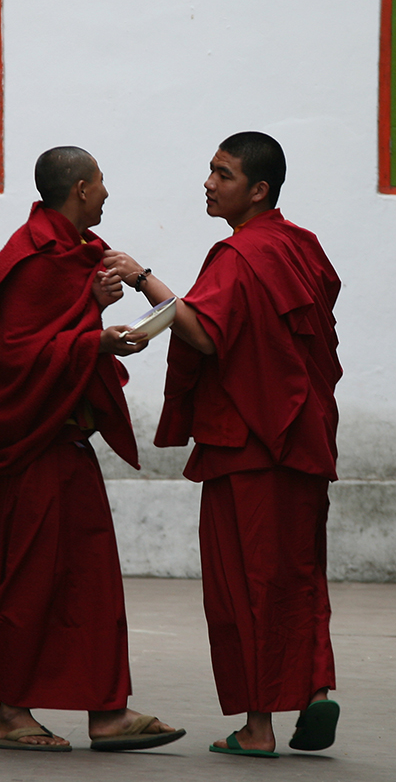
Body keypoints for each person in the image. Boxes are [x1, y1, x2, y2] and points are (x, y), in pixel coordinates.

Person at [103, 131, 342, 757]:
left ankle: (258, 729)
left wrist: (141, 276)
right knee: (300, 574)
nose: (208, 183)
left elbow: (207, 335)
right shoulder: (302, 247)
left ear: (257, 189)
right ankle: (316, 692)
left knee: (247, 583)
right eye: (210, 171)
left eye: (223, 174)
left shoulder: (239, 255)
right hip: (305, 438)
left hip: (248, 446)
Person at [0, 146, 186, 753]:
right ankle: (10, 713)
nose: (108, 193)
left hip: (66, 445)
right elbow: (18, 357)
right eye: (102, 182)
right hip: (35, 449)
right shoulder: (33, 257)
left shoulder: (69, 254)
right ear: (80, 189)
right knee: (31, 580)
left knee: (91, 579)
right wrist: (96, 343)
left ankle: (107, 711)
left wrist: (96, 306)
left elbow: (57, 326)